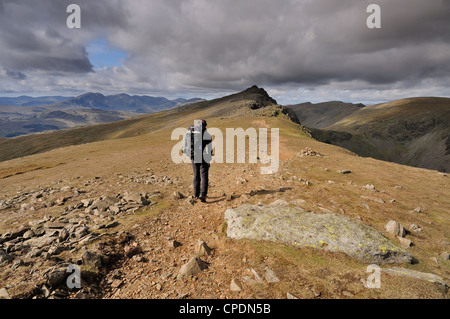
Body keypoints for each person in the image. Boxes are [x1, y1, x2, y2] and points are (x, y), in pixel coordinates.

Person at [187, 120, 212, 202]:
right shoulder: (207, 134)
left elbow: (188, 144)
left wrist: (191, 155)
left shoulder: (192, 132)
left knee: (196, 175)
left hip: (194, 156)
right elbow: (210, 148)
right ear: (205, 125)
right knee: (204, 175)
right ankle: (203, 194)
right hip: (204, 156)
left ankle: (196, 194)